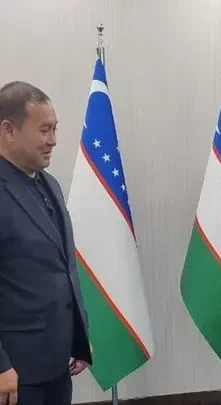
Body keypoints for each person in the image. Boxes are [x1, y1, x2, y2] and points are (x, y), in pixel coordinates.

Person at [0, 81, 92, 405]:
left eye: (54, 129)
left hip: (57, 365)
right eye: (43, 130)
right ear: (8, 130)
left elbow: (64, 267)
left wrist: (79, 337)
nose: (53, 140)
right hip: (14, 373)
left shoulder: (49, 183)